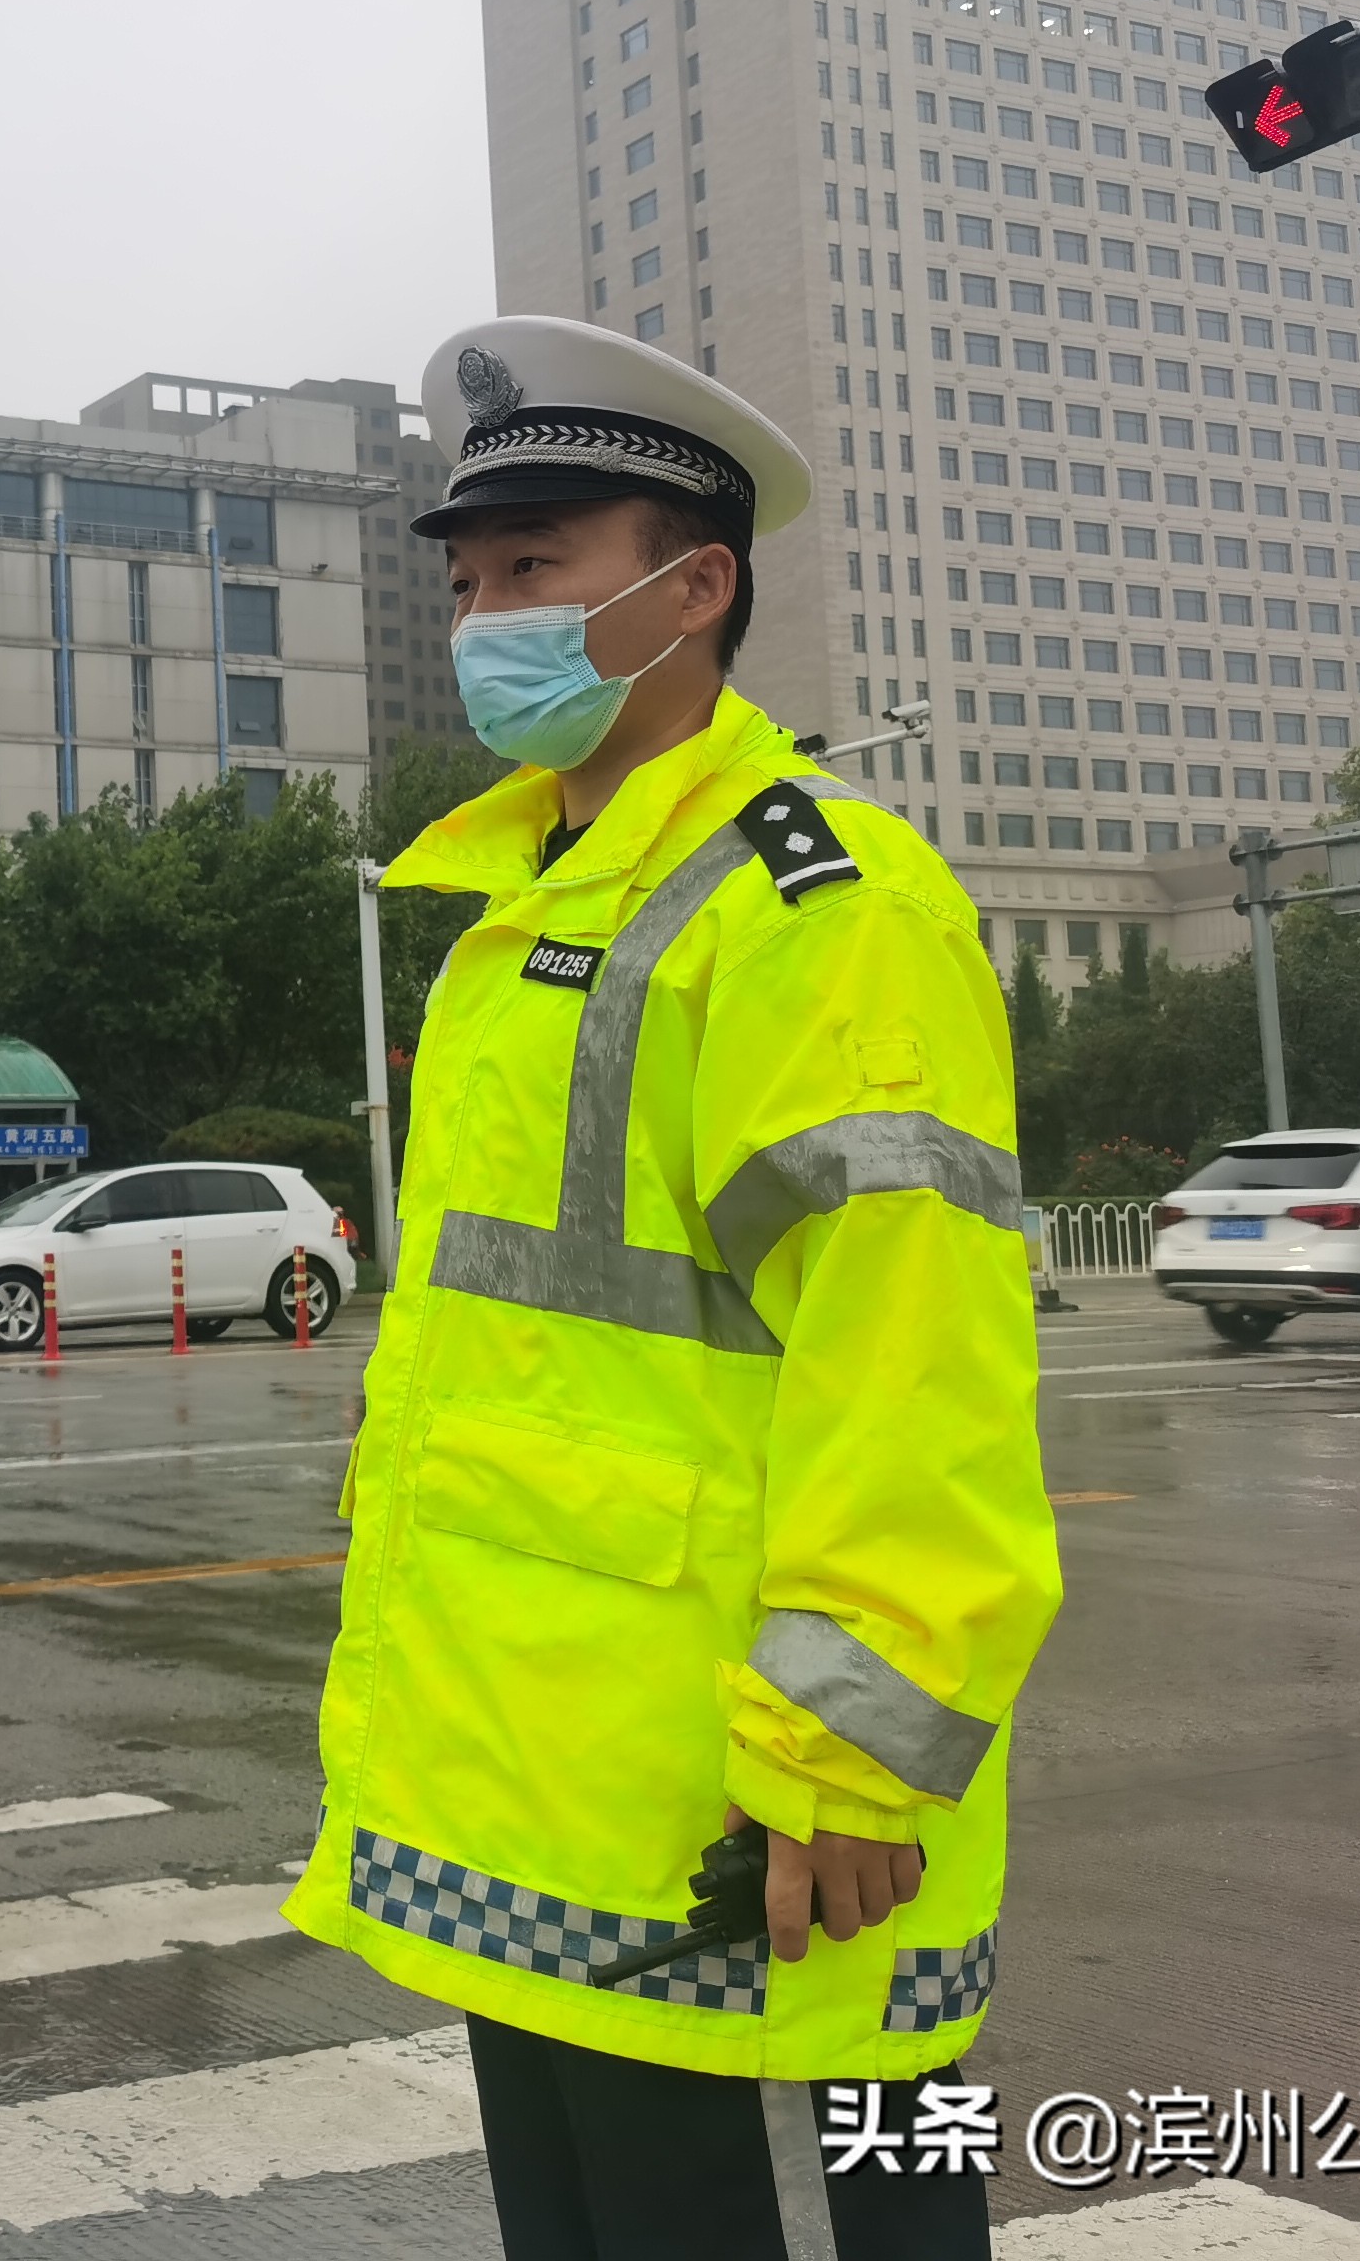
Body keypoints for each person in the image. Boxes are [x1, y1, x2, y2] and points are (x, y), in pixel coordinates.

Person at [283, 316, 1064, 2261]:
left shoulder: (821, 903)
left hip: (745, 1797)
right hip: (545, 1779)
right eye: (469, 582)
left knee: (870, 2215)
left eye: (537, 570)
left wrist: (849, 1752)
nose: (486, 623)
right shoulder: (528, 905)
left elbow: (919, 1359)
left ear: (691, 588)